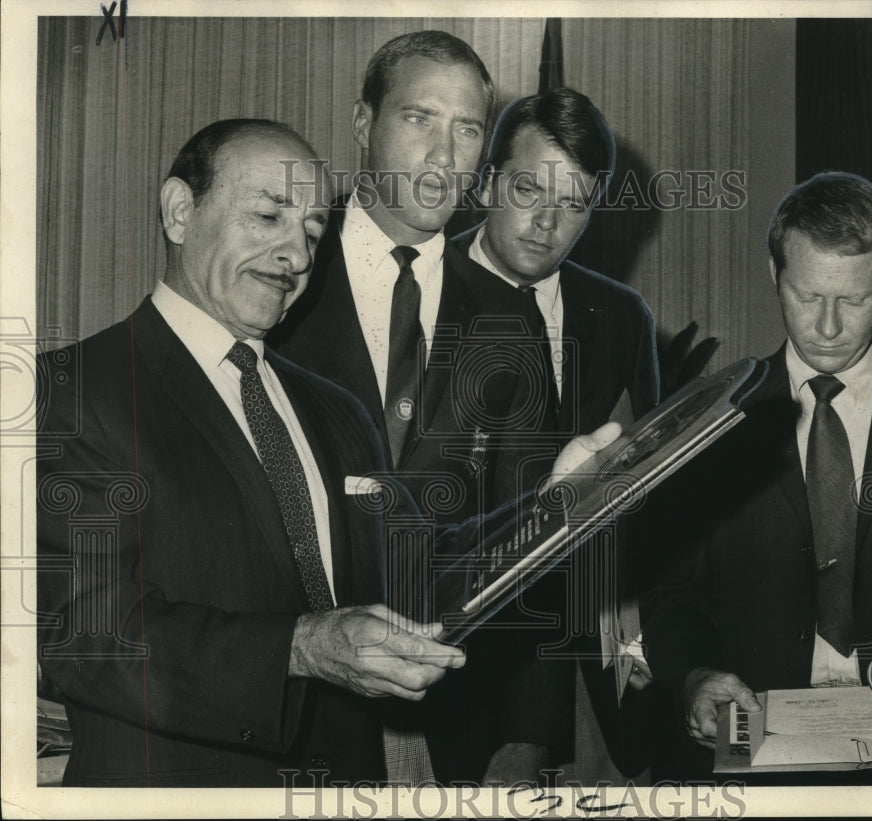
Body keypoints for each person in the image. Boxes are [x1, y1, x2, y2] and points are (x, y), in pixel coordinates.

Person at [35, 118, 615, 788]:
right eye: (267, 216)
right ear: (178, 210)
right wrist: (301, 647)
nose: (297, 255)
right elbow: (80, 634)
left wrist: (546, 512)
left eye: (312, 232)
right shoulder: (73, 390)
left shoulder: (333, 410)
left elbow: (408, 580)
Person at [268, 32, 566, 784]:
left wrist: (529, 734)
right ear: (364, 124)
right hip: (293, 720)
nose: (445, 153)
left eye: (467, 129)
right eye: (420, 118)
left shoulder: (509, 318)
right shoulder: (276, 276)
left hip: (460, 724)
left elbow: (538, 534)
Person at [639, 171, 872, 782]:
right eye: (806, 296)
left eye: (853, 300)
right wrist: (696, 676)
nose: (827, 327)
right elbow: (674, 598)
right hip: (759, 749)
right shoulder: (711, 423)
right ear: (775, 276)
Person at [451, 88, 659, 780]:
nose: (547, 221)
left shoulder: (621, 314)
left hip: (594, 668)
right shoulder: (418, 294)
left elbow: (650, 492)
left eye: (573, 202)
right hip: (466, 675)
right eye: (528, 189)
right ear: (485, 182)